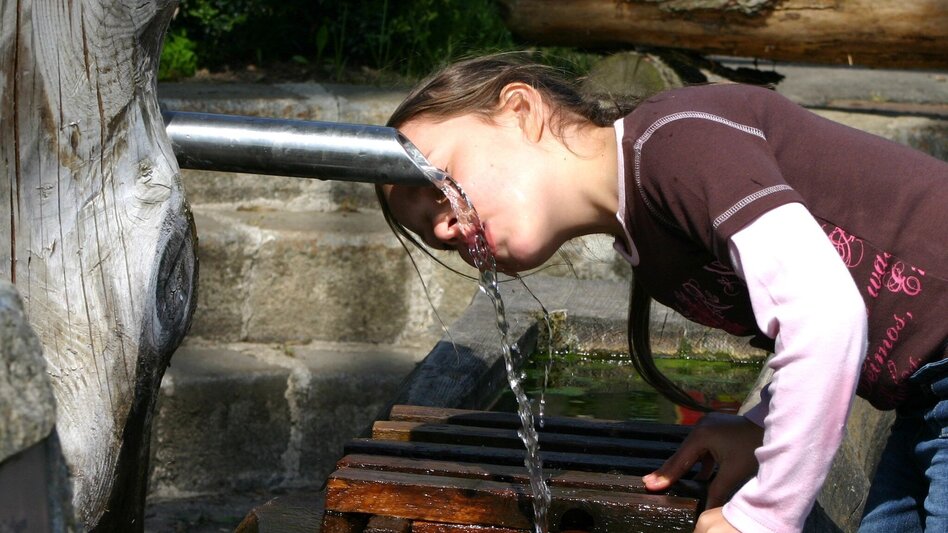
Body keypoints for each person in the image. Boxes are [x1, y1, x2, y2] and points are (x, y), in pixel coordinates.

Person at [377, 53, 948, 532]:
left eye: (442, 182)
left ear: (522, 110)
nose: (446, 227)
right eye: (432, 232)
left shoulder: (675, 142)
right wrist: (758, 426)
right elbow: (821, 319)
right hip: (925, 397)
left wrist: (763, 515)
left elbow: (825, 314)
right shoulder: (649, 245)